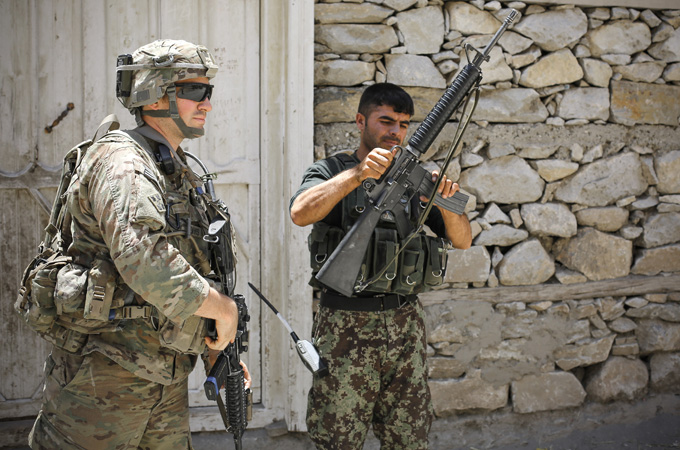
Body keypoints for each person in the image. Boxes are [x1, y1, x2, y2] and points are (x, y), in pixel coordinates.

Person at [29, 39, 249, 449]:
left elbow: (196, 263)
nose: (207, 104)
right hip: (105, 376)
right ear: (155, 94)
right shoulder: (125, 162)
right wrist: (223, 310)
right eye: (195, 91)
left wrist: (218, 348)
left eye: (209, 92)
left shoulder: (174, 168)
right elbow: (143, 258)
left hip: (163, 375)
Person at [290, 82, 472, 449]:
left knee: (409, 437)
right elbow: (300, 212)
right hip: (345, 326)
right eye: (385, 121)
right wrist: (357, 175)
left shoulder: (416, 180)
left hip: (405, 325)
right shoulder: (333, 170)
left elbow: (463, 239)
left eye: (403, 124)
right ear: (361, 121)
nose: (395, 132)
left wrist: (447, 204)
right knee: (338, 439)